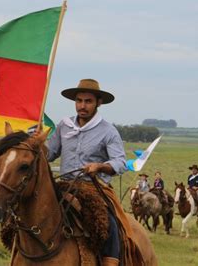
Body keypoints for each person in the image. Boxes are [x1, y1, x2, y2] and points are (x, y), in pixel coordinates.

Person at [46, 79, 140, 266]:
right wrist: (36, 145)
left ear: (99, 102)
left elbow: (120, 162)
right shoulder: (64, 126)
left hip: (94, 187)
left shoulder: (108, 131)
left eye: (88, 101)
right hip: (64, 184)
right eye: (79, 101)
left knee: (109, 222)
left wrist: (99, 166)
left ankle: (110, 261)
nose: (82, 106)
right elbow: (50, 153)